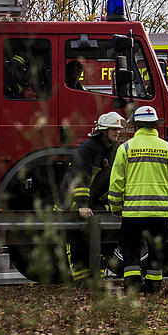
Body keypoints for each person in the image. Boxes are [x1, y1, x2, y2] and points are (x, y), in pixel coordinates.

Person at [107, 106, 168, 294]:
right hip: (159, 212)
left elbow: (117, 181)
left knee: (131, 250)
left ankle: (132, 287)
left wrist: (116, 206)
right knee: (156, 251)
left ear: (136, 127)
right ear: (155, 126)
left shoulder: (125, 148)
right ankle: (153, 288)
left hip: (133, 212)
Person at [54, 111, 126, 282]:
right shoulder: (87, 148)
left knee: (99, 241)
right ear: (103, 131)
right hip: (72, 204)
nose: (117, 132)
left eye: (118, 129)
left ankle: (95, 281)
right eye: (113, 129)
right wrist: (82, 205)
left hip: (94, 204)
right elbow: (79, 178)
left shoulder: (114, 149)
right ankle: (81, 284)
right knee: (76, 242)